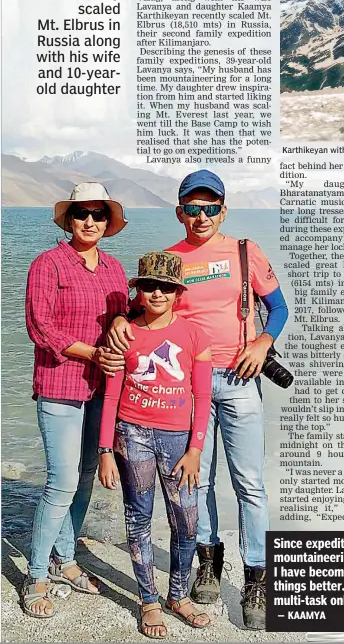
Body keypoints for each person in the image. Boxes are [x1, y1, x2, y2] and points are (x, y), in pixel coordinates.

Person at [108, 170, 289, 630]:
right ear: (180, 212)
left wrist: (263, 342)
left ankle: (256, 577)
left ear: (223, 211)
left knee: (249, 482)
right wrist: (117, 321)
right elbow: (145, 311)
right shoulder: (169, 261)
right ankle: (208, 560)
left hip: (241, 377)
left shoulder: (245, 252)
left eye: (211, 208)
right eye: (193, 207)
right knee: (198, 478)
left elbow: (280, 306)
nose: (201, 215)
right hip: (189, 387)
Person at [22, 182, 128, 619]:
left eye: (98, 214)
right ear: (68, 220)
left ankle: (66, 560)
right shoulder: (49, 264)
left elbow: (126, 311)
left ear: (107, 222)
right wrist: (93, 352)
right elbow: (39, 325)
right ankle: (35, 573)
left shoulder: (115, 268)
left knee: (85, 477)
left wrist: (123, 317)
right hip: (60, 383)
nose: (89, 221)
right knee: (61, 481)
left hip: (103, 388)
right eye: (81, 213)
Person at [98, 251, 213, 639]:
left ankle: (177, 596)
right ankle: (149, 600)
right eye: (149, 286)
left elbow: (202, 396)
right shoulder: (125, 333)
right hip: (132, 437)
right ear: (139, 292)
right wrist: (104, 452)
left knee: (187, 524)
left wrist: (195, 449)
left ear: (177, 293)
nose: (157, 293)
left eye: (165, 287)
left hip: (179, 441)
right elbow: (112, 397)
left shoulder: (195, 334)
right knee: (138, 520)